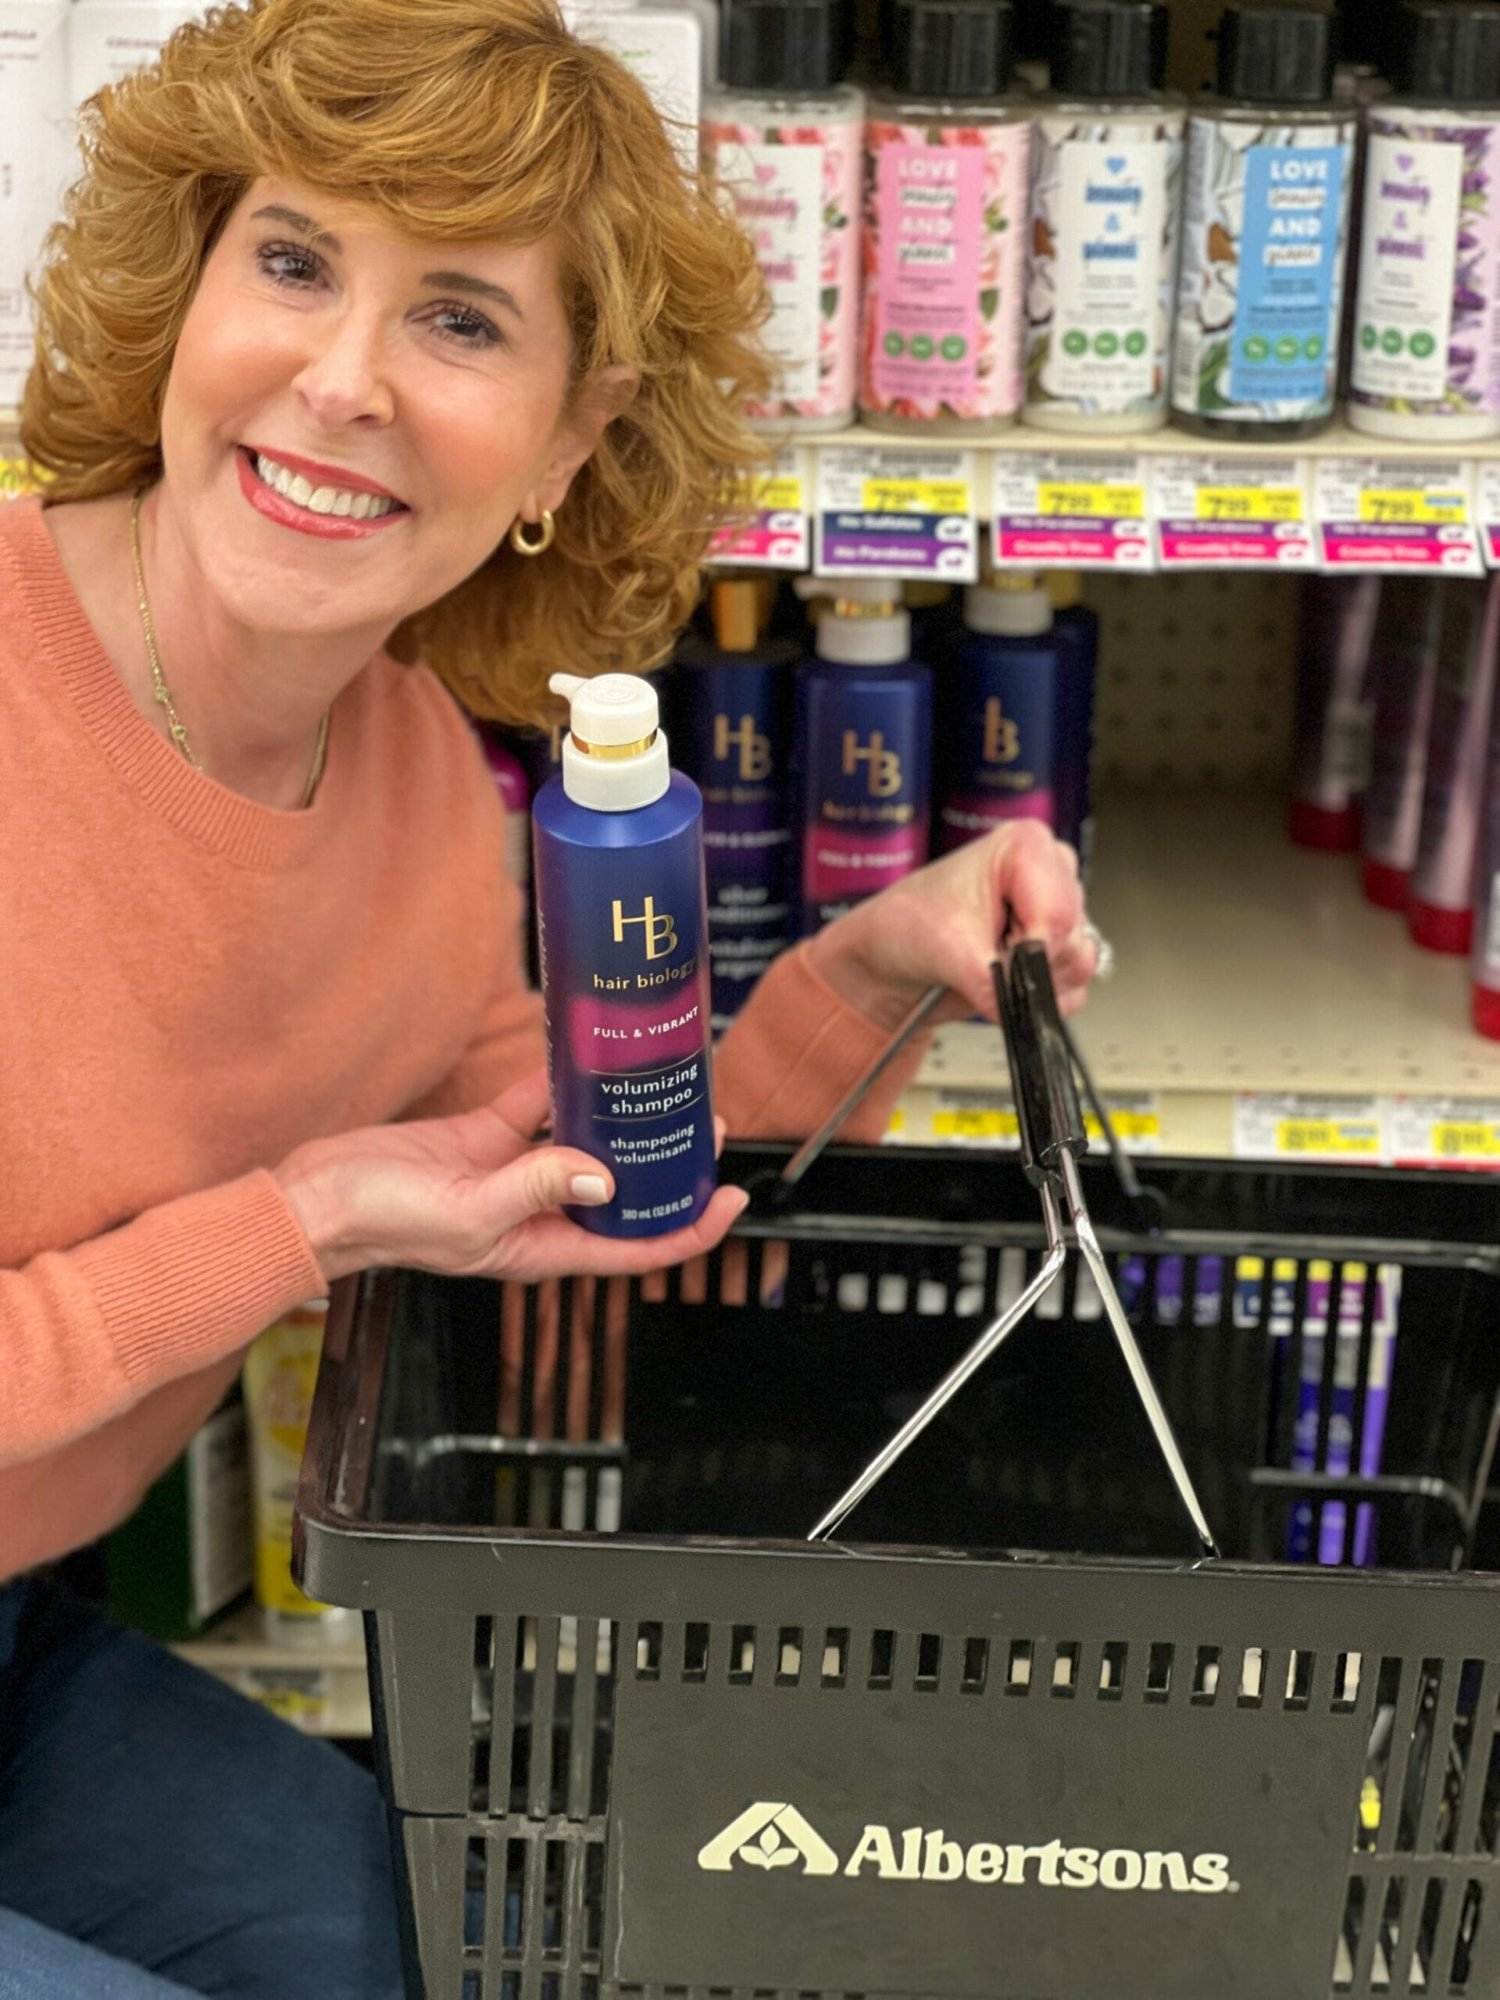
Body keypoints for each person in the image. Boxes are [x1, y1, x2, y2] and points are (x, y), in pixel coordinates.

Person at [0, 0, 1098, 1991]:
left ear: (568, 443)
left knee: (450, 1945)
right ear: (184, 283)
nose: (341, 380)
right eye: (296, 260)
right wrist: (295, 1226)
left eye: (463, 321)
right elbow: (325, 1213)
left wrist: (874, 966)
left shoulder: (422, 789)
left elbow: (587, 1194)